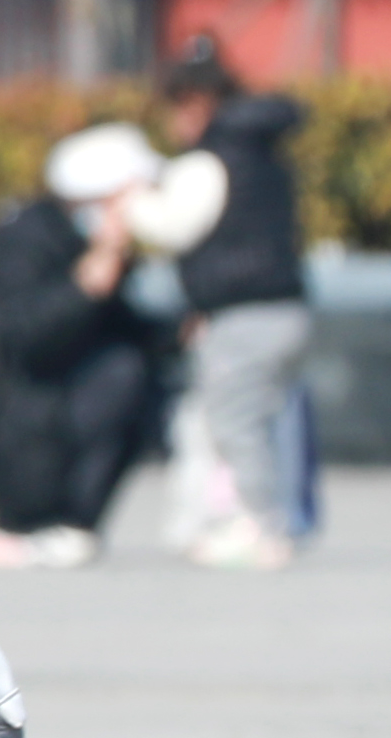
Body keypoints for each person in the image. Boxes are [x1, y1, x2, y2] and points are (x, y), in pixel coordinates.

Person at [0, 123, 174, 568]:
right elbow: (30, 340)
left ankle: (68, 524)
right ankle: (24, 521)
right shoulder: (30, 240)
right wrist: (84, 286)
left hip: (27, 416)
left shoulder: (91, 247)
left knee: (133, 376)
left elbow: (122, 332)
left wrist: (178, 331)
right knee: (116, 376)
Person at [134, 33, 314, 571]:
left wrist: (127, 205)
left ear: (194, 103)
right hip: (284, 308)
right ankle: (256, 517)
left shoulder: (212, 161)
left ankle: (262, 525)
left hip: (245, 313)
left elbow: (173, 226)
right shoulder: (263, 156)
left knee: (235, 420)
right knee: (257, 418)